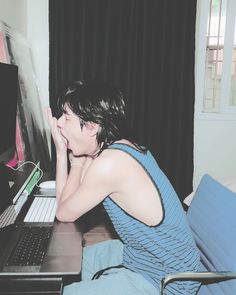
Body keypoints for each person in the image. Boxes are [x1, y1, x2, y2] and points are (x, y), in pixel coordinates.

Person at [47, 80, 201, 295]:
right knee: (58, 265)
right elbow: (67, 201)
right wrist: (76, 158)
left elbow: (64, 212)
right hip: (141, 256)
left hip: (166, 279)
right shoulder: (119, 146)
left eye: (66, 116)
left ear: (91, 127)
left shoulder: (110, 164)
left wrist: (63, 154)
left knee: (62, 290)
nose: (59, 123)